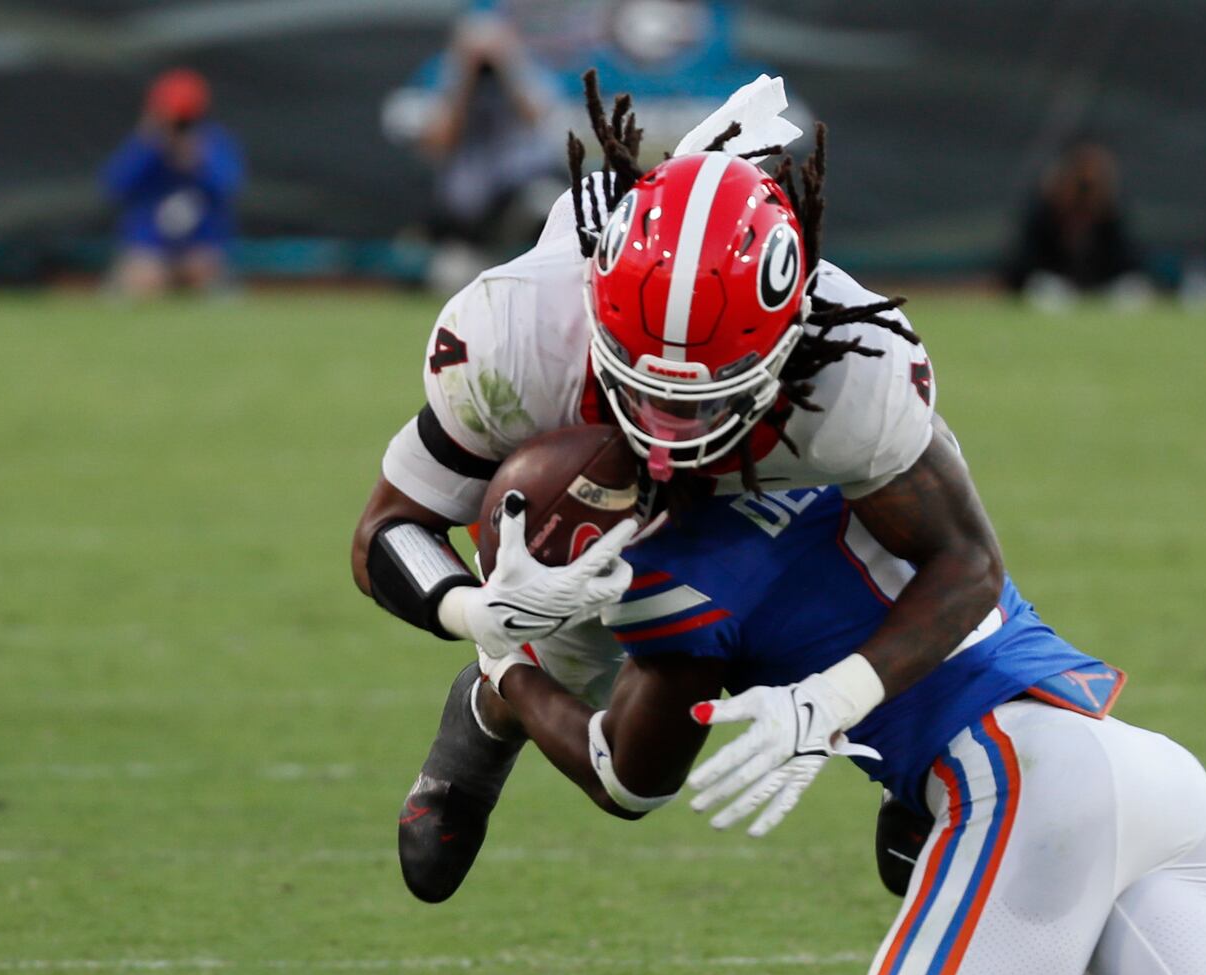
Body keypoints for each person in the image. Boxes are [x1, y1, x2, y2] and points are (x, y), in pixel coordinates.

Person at [353, 71, 978, 896]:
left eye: (700, 393)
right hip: (602, 501)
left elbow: (963, 562)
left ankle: (924, 762)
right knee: (629, 770)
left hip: (782, 481)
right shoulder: (516, 330)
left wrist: (844, 695)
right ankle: (494, 702)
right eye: (641, 384)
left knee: (950, 653)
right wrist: (479, 612)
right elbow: (387, 531)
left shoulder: (855, 376)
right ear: (596, 310)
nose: (669, 426)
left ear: (790, 334)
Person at [475, 477, 1206, 975]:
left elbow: (626, 776)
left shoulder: (664, 577)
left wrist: (507, 671)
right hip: (1157, 781)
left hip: (1031, 783)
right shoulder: (841, 444)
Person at [384, 6, 566, 292]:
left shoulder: (527, 69)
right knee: (454, 281)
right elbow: (440, 142)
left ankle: (538, 271)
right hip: (470, 214)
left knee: (544, 201)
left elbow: (537, 119)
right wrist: (465, 77)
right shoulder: (441, 72)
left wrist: (507, 66)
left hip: (520, 192)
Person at [101, 68, 244, 296]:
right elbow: (115, 186)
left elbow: (228, 187)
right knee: (144, 277)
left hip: (200, 246)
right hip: (150, 245)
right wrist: (148, 146)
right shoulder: (145, 145)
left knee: (204, 270)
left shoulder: (213, 142)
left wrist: (197, 162)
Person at [999, 141, 1150, 310]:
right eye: (1080, 184)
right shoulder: (1044, 214)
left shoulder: (1112, 215)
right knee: (1043, 289)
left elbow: (1130, 263)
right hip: (1056, 289)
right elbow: (1023, 267)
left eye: (1092, 186)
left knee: (1132, 291)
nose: (1084, 194)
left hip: (1104, 289)